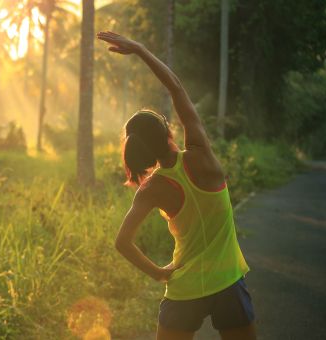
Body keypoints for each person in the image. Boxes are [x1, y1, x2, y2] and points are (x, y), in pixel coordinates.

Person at [97, 31, 256, 340]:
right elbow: (175, 86)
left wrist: (158, 272)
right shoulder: (201, 155)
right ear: (168, 129)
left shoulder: (152, 188)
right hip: (228, 282)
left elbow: (122, 242)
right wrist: (141, 50)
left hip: (183, 288)